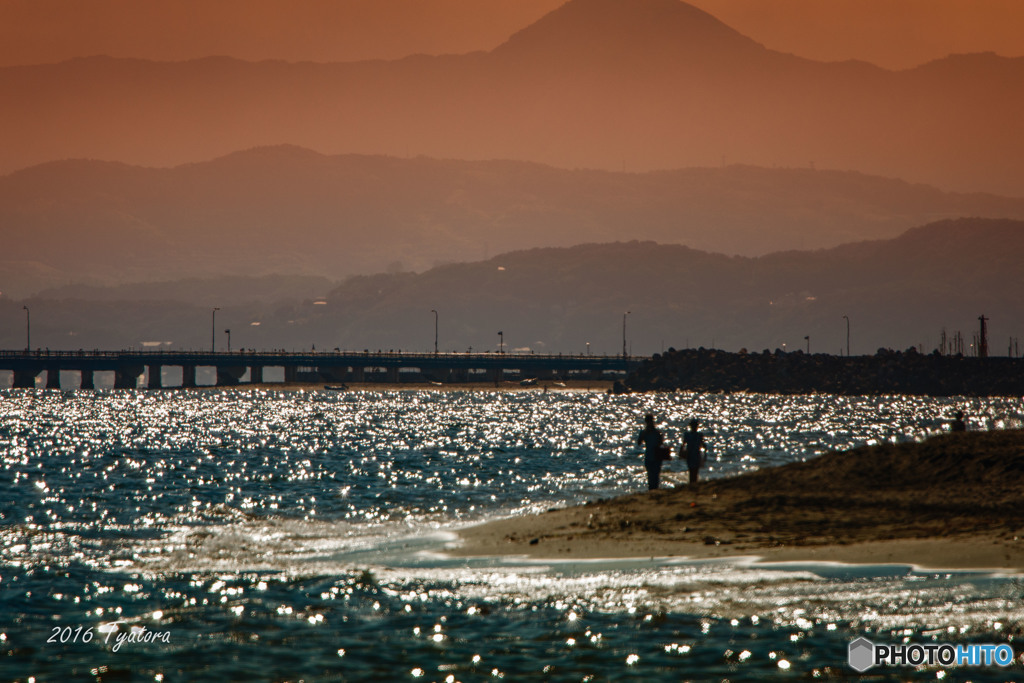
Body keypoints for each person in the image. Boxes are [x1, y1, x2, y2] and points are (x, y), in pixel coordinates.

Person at [636, 413, 665, 490]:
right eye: (649, 421)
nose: (649, 423)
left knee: (655, 476)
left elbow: (661, 444)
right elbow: (639, 443)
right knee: (651, 476)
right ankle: (652, 490)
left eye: (650, 421)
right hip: (649, 457)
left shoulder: (656, 432)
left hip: (655, 456)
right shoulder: (645, 432)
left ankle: (654, 490)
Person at [681, 419, 706, 486]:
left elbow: (703, 445)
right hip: (690, 455)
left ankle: (693, 484)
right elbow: (683, 444)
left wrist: (704, 456)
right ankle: (692, 484)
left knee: (694, 471)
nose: (694, 427)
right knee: (692, 470)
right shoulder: (688, 435)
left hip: (696, 455)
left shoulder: (698, 435)